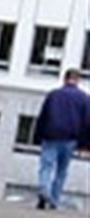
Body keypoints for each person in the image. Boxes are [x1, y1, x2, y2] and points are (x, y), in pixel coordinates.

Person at [34, 68, 90, 210]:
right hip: (70, 138)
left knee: (46, 166)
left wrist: (37, 136)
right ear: (78, 81)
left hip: (51, 135)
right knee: (62, 170)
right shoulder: (84, 98)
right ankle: (54, 199)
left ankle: (44, 191)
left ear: (64, 79)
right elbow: (86, 122)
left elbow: (43, 117)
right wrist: (85, 144)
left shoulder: (53, 95)